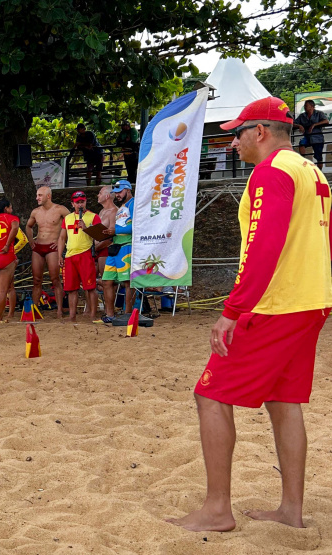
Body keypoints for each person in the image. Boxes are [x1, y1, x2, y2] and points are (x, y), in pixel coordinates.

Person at [167, 96, 332, 532]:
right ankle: (290, 511)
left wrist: (232, 310)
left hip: (275, 304)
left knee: (211, 394)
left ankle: (217, 509)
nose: (233, 143)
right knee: (284, 400)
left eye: (238, 133)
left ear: (260, 132)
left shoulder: (271, 171)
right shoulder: (311, 171)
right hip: (311, 299)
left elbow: (264, 246)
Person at [57, 191, 101, 323]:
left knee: (90, 287)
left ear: (86, 202)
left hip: (85, 253)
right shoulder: (68, 218)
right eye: (77, 202)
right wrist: (60, 255)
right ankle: (72, 316)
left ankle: (93, 314)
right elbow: (62, 237)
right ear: (72, 204)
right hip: (70, 255)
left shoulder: (94, 216)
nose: (80, 204)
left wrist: (86, 227)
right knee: (71, 288)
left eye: (82, 201)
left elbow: (99, 236)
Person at [27, 186, 70, 318]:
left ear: (48, 196)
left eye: (40, 195)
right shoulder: (35, 212)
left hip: (53, 247)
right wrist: (31, 241)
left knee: (55, 279)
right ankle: (35, 309)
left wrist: (61, 241)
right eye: (37, 195)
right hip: (39, 246)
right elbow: (28, 226)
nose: (37, 198)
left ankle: (59, 310)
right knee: (36, 280)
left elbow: (71, 224)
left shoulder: (60, 209)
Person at [101, 180, 135, 323]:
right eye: (116, 193)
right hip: (115, 247)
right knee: (107, 281)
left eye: (120, 192)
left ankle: (127, 314)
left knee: (127, 282)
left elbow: (137, 226)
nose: (117, 195)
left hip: (127, 247)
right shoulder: (121, 207)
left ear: (128, 190)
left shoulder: (134, 204)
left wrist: (116, 230)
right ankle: (110, 315)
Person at [294, 99, 329, 170]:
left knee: (319, 156)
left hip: (317, 137)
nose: (304, 107)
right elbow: (293, 123)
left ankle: (320, 172)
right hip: (307, 136)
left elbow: (326, 121)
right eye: (304, 106)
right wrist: (299, 126)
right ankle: (303, 160)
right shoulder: (302, 116)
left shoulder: (319, 113)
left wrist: (315, 125)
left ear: (312, 106)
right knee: (301, 143)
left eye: (306, 105)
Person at [95, 186, 118, 278]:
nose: (98, 195)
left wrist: (97, 248)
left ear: (107, 196)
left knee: (107, 281)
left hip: (106, 249)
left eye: (100, 193)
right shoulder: (102, 211)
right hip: (97, 248)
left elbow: (111, 235)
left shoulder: (114, 211)